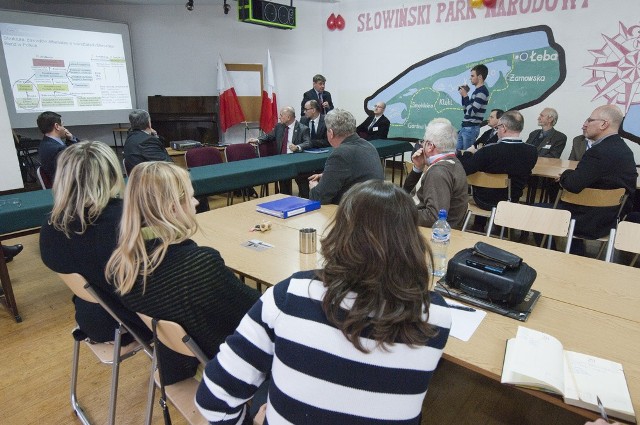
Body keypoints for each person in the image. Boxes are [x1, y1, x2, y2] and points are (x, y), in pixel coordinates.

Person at [195, 180, 452, 424]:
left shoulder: (289, 295)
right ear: (412, 242)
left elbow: (212, 399)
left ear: (340, 233)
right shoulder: (437, 315)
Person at [106, 161, 260, 384]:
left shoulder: (121, 266)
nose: (197, 202)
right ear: (172, 209)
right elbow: (257, 313)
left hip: (178, 362)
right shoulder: (197, 266)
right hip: (228, 368)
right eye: (191, 197)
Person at [40, 141, 150, 344]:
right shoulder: (124, 218)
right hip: (131, 322)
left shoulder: (50, 225)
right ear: (112, 175)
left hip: (90, 318)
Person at [557, 105, 637, 240]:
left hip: (587, 221)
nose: (585, 124)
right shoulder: (624, 149)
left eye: (590, 120)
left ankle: (563, 256)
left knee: (536, 212)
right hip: (612, 219)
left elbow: (573, 185)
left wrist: (565, 174)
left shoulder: (598, 152)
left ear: (604, 124)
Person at [459, 110, 538, 230]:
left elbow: (464, 169)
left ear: (504, 128)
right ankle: (502, 230)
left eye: (498, 126)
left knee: (483, 184)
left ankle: (478, 226)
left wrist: (468, 154)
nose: (497, 129)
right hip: (511, 200)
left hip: (484, 201)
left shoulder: (488, 151)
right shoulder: (532, 152)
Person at [309, 109, 384, 204]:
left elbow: (319, 197)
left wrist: (314, 186)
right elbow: (359, 173)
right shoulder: (368, 145)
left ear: (331, 133)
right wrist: (327, 175)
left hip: (354, 211)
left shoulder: (340, 154)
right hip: (375, 205)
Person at [410, 119, 468, 228]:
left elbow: (433, 217)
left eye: (423, 142)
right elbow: (407, 192)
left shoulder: (438, 172)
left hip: (428, 232)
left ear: (430, 146)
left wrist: (401, 214)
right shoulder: (453, 162)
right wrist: (418, 168)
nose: (421, 145)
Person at [249, 106, 310, 195]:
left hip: (296, 159)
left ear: (288, 117)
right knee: (283, 179)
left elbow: (308, 142)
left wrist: (297, 147)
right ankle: (285, 198)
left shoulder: (303, 128)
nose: (279, 117)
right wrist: (258, 140)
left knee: (302, 180)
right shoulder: (279, 126)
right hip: (282, 159)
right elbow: (269, 136)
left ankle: (305, 198)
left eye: (281, 115)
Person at [291, 100, 328, 198]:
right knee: (300, 172)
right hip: (306, 153)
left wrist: (310, 143)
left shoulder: (326, 120)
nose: (304, 112)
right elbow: (300, 139)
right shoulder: (303, 120)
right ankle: (304, 196)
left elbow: (327, 141)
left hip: (322, 153)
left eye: (306, 109)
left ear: (314, 110)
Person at [37, 111, 80, 179]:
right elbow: (79, 158)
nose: (64, 128)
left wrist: (71, 139)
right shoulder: (58, 149)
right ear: (57, 126)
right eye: (62, 125)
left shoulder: (45, 144)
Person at [456, 64, 489, 151]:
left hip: (471, 129)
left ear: (480, 77)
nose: (470, 78)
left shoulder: (482, 92)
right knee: (457, 155)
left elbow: (471, 112)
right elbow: (466, 111)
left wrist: (466, 96)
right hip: (465, 128)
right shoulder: (476, 92)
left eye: (472, 76)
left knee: (467, 156)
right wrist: (463, 96)